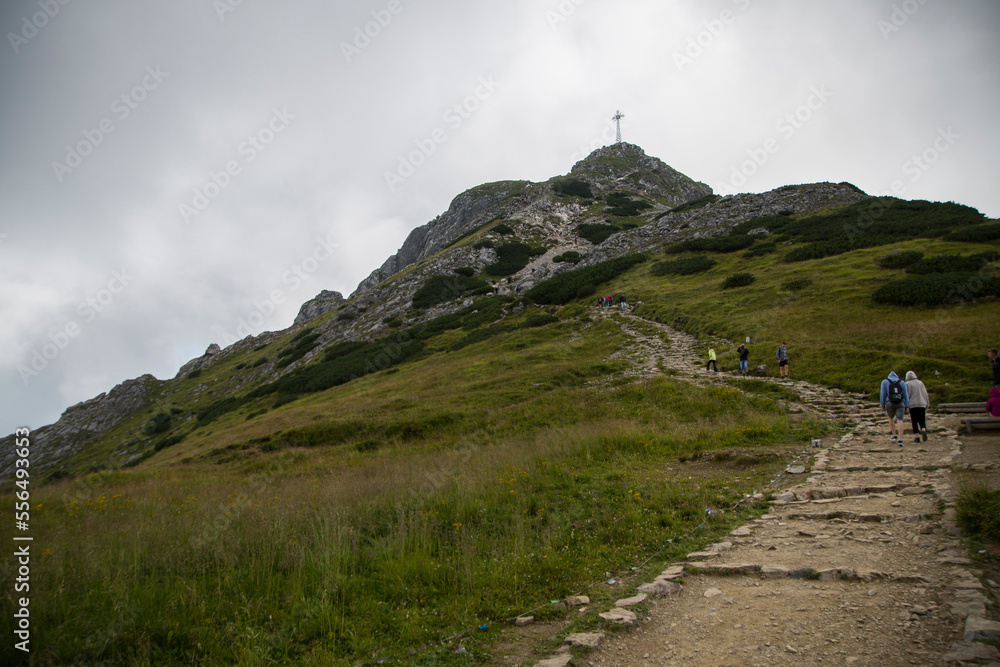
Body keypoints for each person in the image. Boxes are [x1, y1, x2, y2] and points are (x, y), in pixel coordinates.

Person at [879, 371, 910, 446]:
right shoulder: (902, 382)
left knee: (891, 418)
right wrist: (907, 406)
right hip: (900, 403)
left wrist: (882, 405)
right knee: (900, 420)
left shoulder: (885, 382)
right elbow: (906, 394)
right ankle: (901, 439)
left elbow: (883, 394)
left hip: (890, 403)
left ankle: (894, 434)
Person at [904, 371, 929, 443]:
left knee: (914, 420)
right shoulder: (920, 383)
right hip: (922, 403)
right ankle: (923, 429)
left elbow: (907, 395)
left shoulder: (907, 384)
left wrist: (906, 405)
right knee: (922, 418)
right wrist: (927, 403)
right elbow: (925, 393)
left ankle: (917, 436)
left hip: (913, 405)